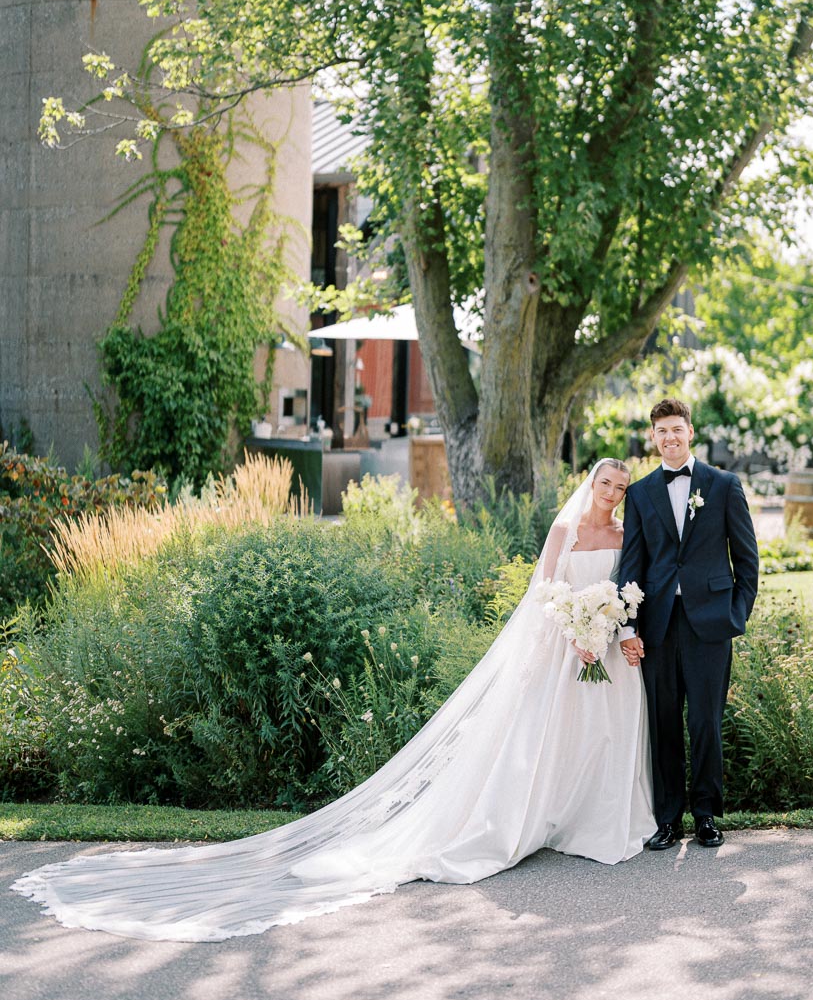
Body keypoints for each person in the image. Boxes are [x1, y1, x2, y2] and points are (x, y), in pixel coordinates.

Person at [13, 460, 655, 942]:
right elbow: (543, 593)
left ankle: (585, 821)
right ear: (589, 483)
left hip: (603, 655)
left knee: (597, 739)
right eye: (607, 482)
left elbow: (626, 588)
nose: (614, 491)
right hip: (562, 654)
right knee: (540, 743)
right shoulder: (565, 528)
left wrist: (608, 630)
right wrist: (573, 630)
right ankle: (526, 824)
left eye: (622, 485)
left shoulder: (626, 532)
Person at [618, 399, 759, 850]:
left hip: (710, 624)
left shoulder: (723, 485)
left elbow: (748, 560)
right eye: (661, 431)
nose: (670, 438)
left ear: (691, 432)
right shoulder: (639, 494)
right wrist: (629, 626)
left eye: (676, 429)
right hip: (659, 625)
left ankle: (706, 815)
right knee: (662, 723)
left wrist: (734, 614)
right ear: (653, 437)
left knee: (705, 721)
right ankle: (667, 820)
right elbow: (632, 564)